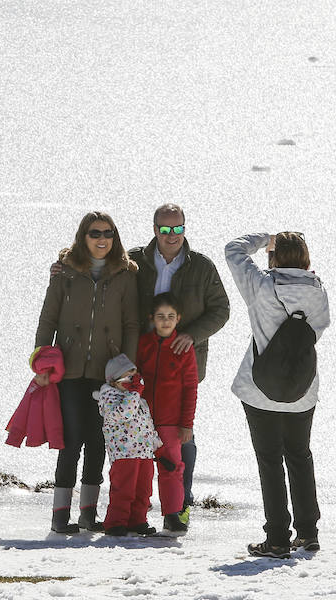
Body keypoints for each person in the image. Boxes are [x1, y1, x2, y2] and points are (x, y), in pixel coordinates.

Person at [224, 232, 330, 558]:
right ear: (306, 259)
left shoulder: (261, 286)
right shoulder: (318, 291)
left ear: (274, 257)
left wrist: (264, 239)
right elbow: (320, 328)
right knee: (299, 456)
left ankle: (277, 539)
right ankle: (308, 533)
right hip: (302, 389)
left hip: (260, 390)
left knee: (270, 461)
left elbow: (233, 250)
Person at [35, 211, 140, 534]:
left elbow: (131, 324)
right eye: (95, 233)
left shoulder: (125, 273)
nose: (101, 239)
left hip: (106, 373)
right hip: (69, 370)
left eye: (107, 233)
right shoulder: (65, 272)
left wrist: (127, 368)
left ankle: (88, 514)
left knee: (98, 441)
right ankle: (59, 515)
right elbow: (48, 319)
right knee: (70, 440)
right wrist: (41, 361)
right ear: (84, 236)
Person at [128, 204, 230, 523]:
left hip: (183, 362)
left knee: (182, 433)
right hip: (140, 365)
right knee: (138, 435)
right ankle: (134, 508)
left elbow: (221, 310)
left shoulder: (201, 266)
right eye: (165, 229)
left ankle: (180, 504)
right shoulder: (134, 261)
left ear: (185, 228)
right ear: (155, 228)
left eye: (177, 229)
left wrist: (193, 335)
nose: (171, 236)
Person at [136, 292, 198, 535]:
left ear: (178, 319)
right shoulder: (143, 344)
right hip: (141, 420)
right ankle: (137, 515)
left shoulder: (183, 349)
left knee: (171, 467)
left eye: (170, 316)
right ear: (152, 318)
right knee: (141, 468)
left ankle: (172, 514)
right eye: (160, 316)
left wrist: (186, 424)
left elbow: (191, 388)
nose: (165, 321)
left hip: (171, 423)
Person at [94, 354, 162, 536]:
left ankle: (137, 520)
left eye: (136, 377)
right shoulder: (109, 396)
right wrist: (134, 392)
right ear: (115, 380)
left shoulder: (137, 398)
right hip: (124, 452)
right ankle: (116, 522)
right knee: (124, 488)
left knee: (143, 489)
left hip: (143, 451)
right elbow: (124, 414)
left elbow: (146, 422)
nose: (134, 382)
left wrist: (154, 441)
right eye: (129, 378)